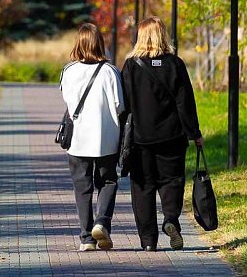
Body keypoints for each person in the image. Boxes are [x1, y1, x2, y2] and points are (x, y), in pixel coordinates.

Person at [120, 17, 203, 251]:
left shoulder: (131, 66)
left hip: (140, 138)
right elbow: (185, 102)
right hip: (172, 136)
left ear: (140, 37)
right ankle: (171, 220)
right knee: (172, 181)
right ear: (162, 36)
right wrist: (194, 133)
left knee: (142, 186)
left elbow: (123, 105)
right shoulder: (175, 64)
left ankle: (148, 241)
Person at [59, 23, 125, 251]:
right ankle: (102, 222)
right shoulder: (111, 72)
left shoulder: (68, 71)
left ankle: (86, 238)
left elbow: (67, 99)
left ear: (78, 43)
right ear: (100, 44)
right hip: (106, 138)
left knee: (82, 188)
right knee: (108, 181)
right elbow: (120, 105)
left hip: (78, 139)